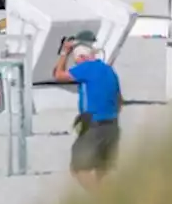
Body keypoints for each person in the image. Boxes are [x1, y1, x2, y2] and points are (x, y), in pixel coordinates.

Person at [52, 40, 122, 191]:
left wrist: (64, 52)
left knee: (78, 169)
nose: (76, 65)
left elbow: (58, 75)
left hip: (95, 125)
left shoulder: (87, 68)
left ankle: (101, 202)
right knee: (103, 171)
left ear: (82, 58)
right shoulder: (110, 70)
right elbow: (119, 101)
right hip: (113, 126)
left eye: (76, 61)